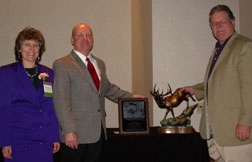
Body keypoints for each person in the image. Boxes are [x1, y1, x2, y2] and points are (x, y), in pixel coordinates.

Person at [53, 23, 143, 162]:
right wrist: (69, 131)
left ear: (93, 40)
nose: (85, 38)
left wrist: (131, 97)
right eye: (80, 35)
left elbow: (107, 89)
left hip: (98, 133)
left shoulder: (99, 63)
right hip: (75, 135)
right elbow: (61, 100)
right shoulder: (62, 64)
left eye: (88, 35)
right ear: (72, 40)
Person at [181, 5, 252, 162]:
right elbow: (217, 81)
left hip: (235, 132)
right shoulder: (219, 48)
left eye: (222, 22)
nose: (217, 27)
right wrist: (195, 89)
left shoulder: (243, 46)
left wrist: (245, 123)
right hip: (215, 131)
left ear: (233, 22)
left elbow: (249, 88)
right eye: (213, 24)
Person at [0, 27, 60, 162]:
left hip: (43, 141)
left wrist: (54, 136)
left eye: (36, 45)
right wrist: (5, 141)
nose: (31, 49)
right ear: (19, 48)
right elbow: (4, 110)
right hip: (19, 142)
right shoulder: (6, 73)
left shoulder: (49, 73)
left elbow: (50, 107)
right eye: (27, 44)